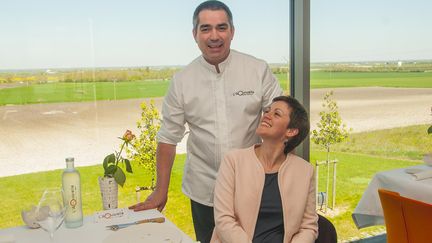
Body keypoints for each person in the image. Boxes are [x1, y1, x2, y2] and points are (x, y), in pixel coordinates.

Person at [129, 1, 282, 242]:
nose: (214, 36)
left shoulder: (257, 70)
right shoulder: (182, 81)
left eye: (221, 27)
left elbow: (281, 119)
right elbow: (168, 139)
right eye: (205, 28)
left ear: (232, 32)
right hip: (204, 192)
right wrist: (160, 191)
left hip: (255, 187)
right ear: (195, 34)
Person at [211, 96, 318, 243]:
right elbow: (224, 220)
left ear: (291, 131)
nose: (266, 115)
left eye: (276, 114)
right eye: (267, 110)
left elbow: (308, 227)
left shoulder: (305, 171)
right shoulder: (233, 161)